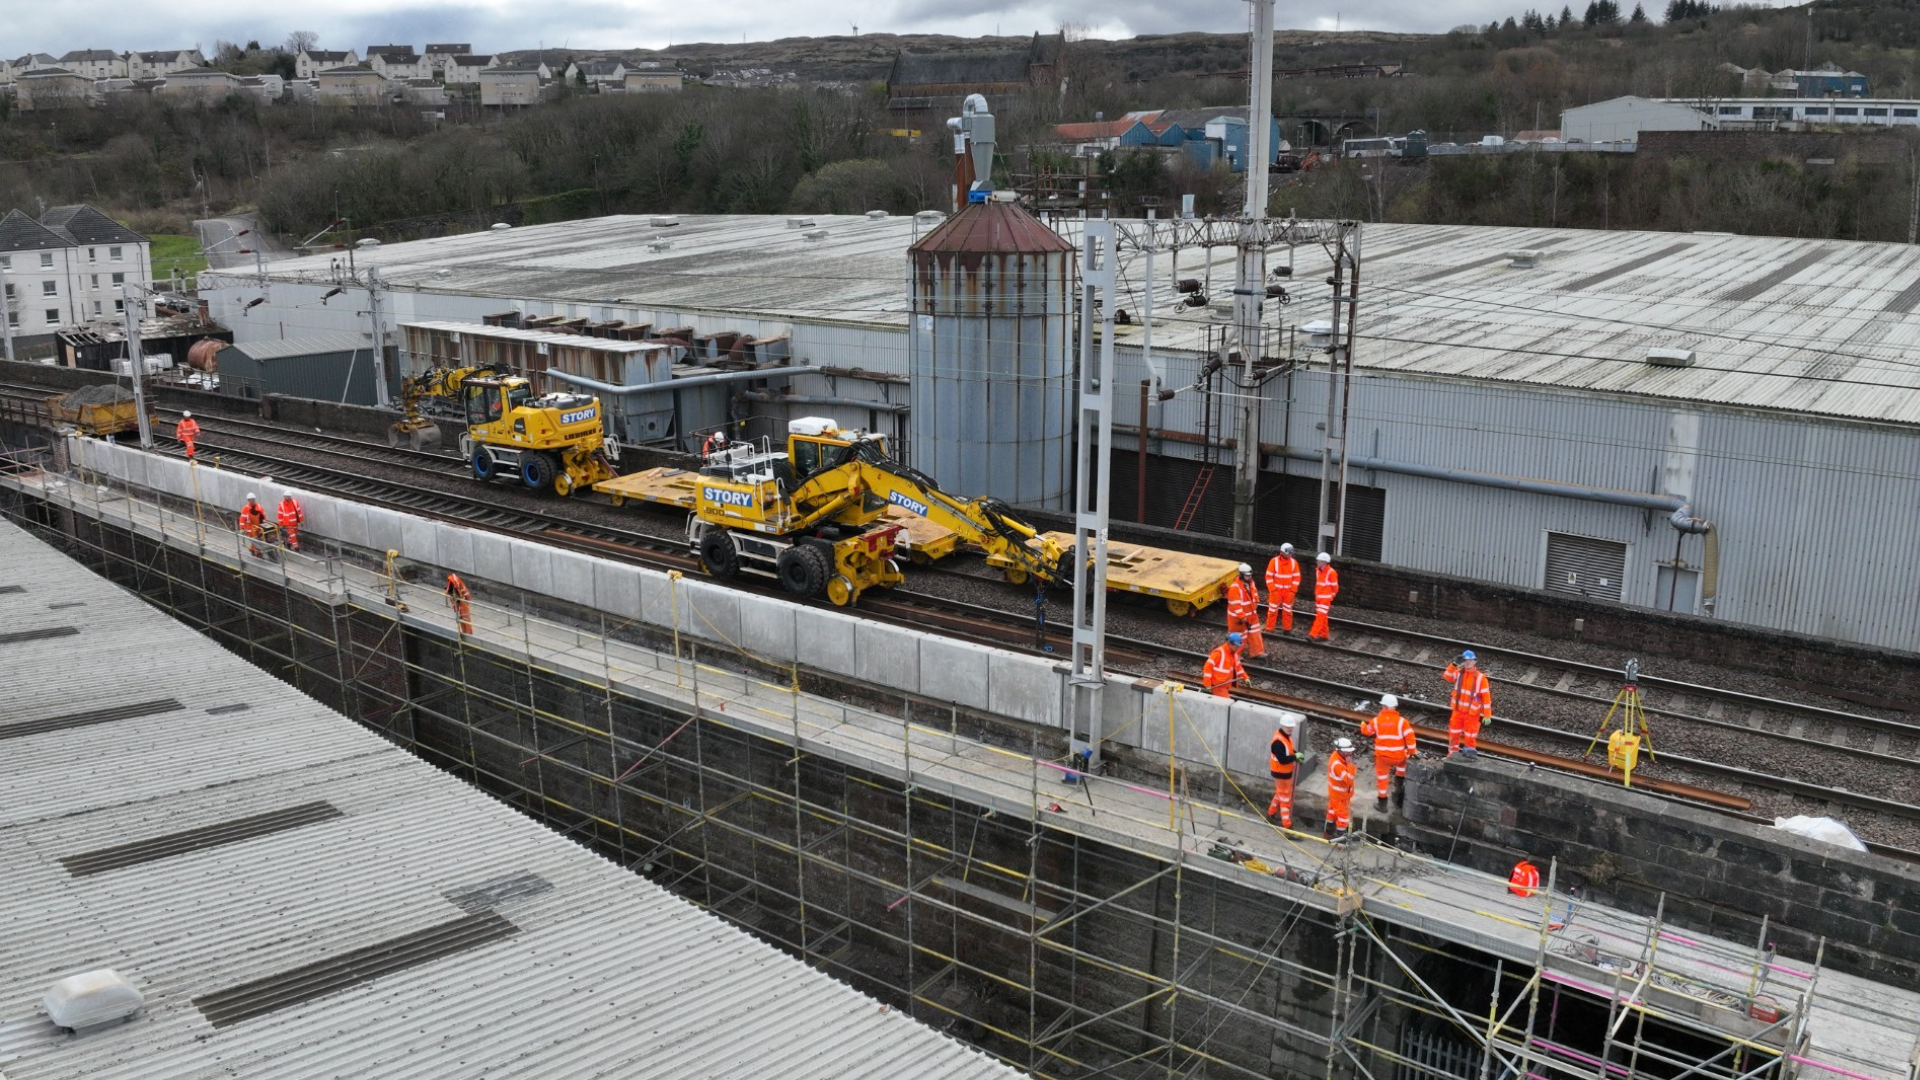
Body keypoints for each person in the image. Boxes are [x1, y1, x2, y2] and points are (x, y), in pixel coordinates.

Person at [1360, 694, 1417, 808]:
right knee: (1401, 769)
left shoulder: (1376, 721)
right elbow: (1410, 737)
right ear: (1394, 707)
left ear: (1384, 707)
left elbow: (1367, 731)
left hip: (1383, 758)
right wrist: (1412, 752)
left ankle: (1382, 805)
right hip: (1399, 757)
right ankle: (1398, 795)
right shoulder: (1402, 722)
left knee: (1382, 779)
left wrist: (1362, 725)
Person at [1443, 650, 1494, 756]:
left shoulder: (1481, 678)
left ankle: (1469, 758)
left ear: (1475, 662)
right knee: (1453, 735)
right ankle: (1452, 756)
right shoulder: (1458, 673)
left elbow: (1486, 697)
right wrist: (1454, 664)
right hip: (1457, 712)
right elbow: (1447, 676)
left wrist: (1487, 714)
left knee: (1470, 737)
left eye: (1470, 660)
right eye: (1465, 660)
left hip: (1471, 715)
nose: (1468, 663)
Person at [1266, 714, 1299, 827]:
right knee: (1285, 799)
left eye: (1291, 727)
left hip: (1284, 773)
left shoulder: (1285, 736)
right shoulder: (1278, 742)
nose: (1290, 729)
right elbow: (1283, 760)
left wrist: (1295, 754)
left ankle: (1270, 814)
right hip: (1281, 773)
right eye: (1288, 727)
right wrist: (1295, 757)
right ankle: (1287, 826)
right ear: (1282, 726)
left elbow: (1288, 751)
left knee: (1280, 794)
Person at [1225, 563, 1264, 658]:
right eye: (1247, 575)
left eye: (1250, 575)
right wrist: (1243, 617)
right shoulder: (1235, 588)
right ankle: (1235, 655)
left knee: (1255, 633)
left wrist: (1256, 601)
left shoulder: (1251, 583)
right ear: (1241, 575)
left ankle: (1257, 652)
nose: (1249, 577)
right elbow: (1236, 606)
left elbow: (1254, 594)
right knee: (1239, 636)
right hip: (1238, 619)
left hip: (1251, 615)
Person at [1325, 737, 1357, 841]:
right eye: (1347, 753)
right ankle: (1341, 840)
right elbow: (1349, 779)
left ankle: (1328, 832)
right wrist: (1350, 765)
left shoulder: (1336, 757)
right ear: (1340, 751)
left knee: (1332, 812)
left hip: (1336, 794)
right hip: (1340, 796)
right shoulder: (1338, 765)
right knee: (1343, 817)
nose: (1350, 755)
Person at [1264, 543, 1300, 633]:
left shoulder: (1293, 563)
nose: (1291, 555)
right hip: (1276, 592)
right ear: (1282, 552)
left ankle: (1287, 630)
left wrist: (1292, 591)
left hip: (1288, 592)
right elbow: (1268, 577)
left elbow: (1297, 578)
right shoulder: (1274, 561)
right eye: (1289, 553)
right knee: (1272, 611)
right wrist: (1273, 590)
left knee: (1287, 611)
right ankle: (1269, 629)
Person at [1202, 632, 1249, 698]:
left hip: (1225, 685)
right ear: (1230, 643)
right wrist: (1207, 683)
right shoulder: (1219, 653)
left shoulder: (1234, 654)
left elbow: (1238, 667)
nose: (1237, 648)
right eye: (1236, 646)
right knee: (1226, 702)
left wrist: (1245, 677)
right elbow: (1207, 667)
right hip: (1218, 686)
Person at [1309, 552, 1339, 641]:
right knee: (1323, 617)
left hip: (1325, 599)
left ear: (1324, 562)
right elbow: (1319, 584)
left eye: (1319, 561)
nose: (1317, 562)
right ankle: (1324, 635)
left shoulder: (1331, 572)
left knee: (1320, 617)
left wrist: (1331, 596)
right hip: (1319, 598)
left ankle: (1312, 635)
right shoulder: (1318, 571)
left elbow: (1335, 588)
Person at [237, 492, 267, 558]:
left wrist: (264, 525)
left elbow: (263, 517)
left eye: (253, 499)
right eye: (251, 499)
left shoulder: (259, 507)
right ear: (248, 500)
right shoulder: (245, 509)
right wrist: (242, 529)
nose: (253, 500)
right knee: (255, 539)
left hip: (258, 527)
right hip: (250, 528)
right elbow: (242, 520)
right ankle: (257, 552)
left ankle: (252, 549)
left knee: (257, 539)